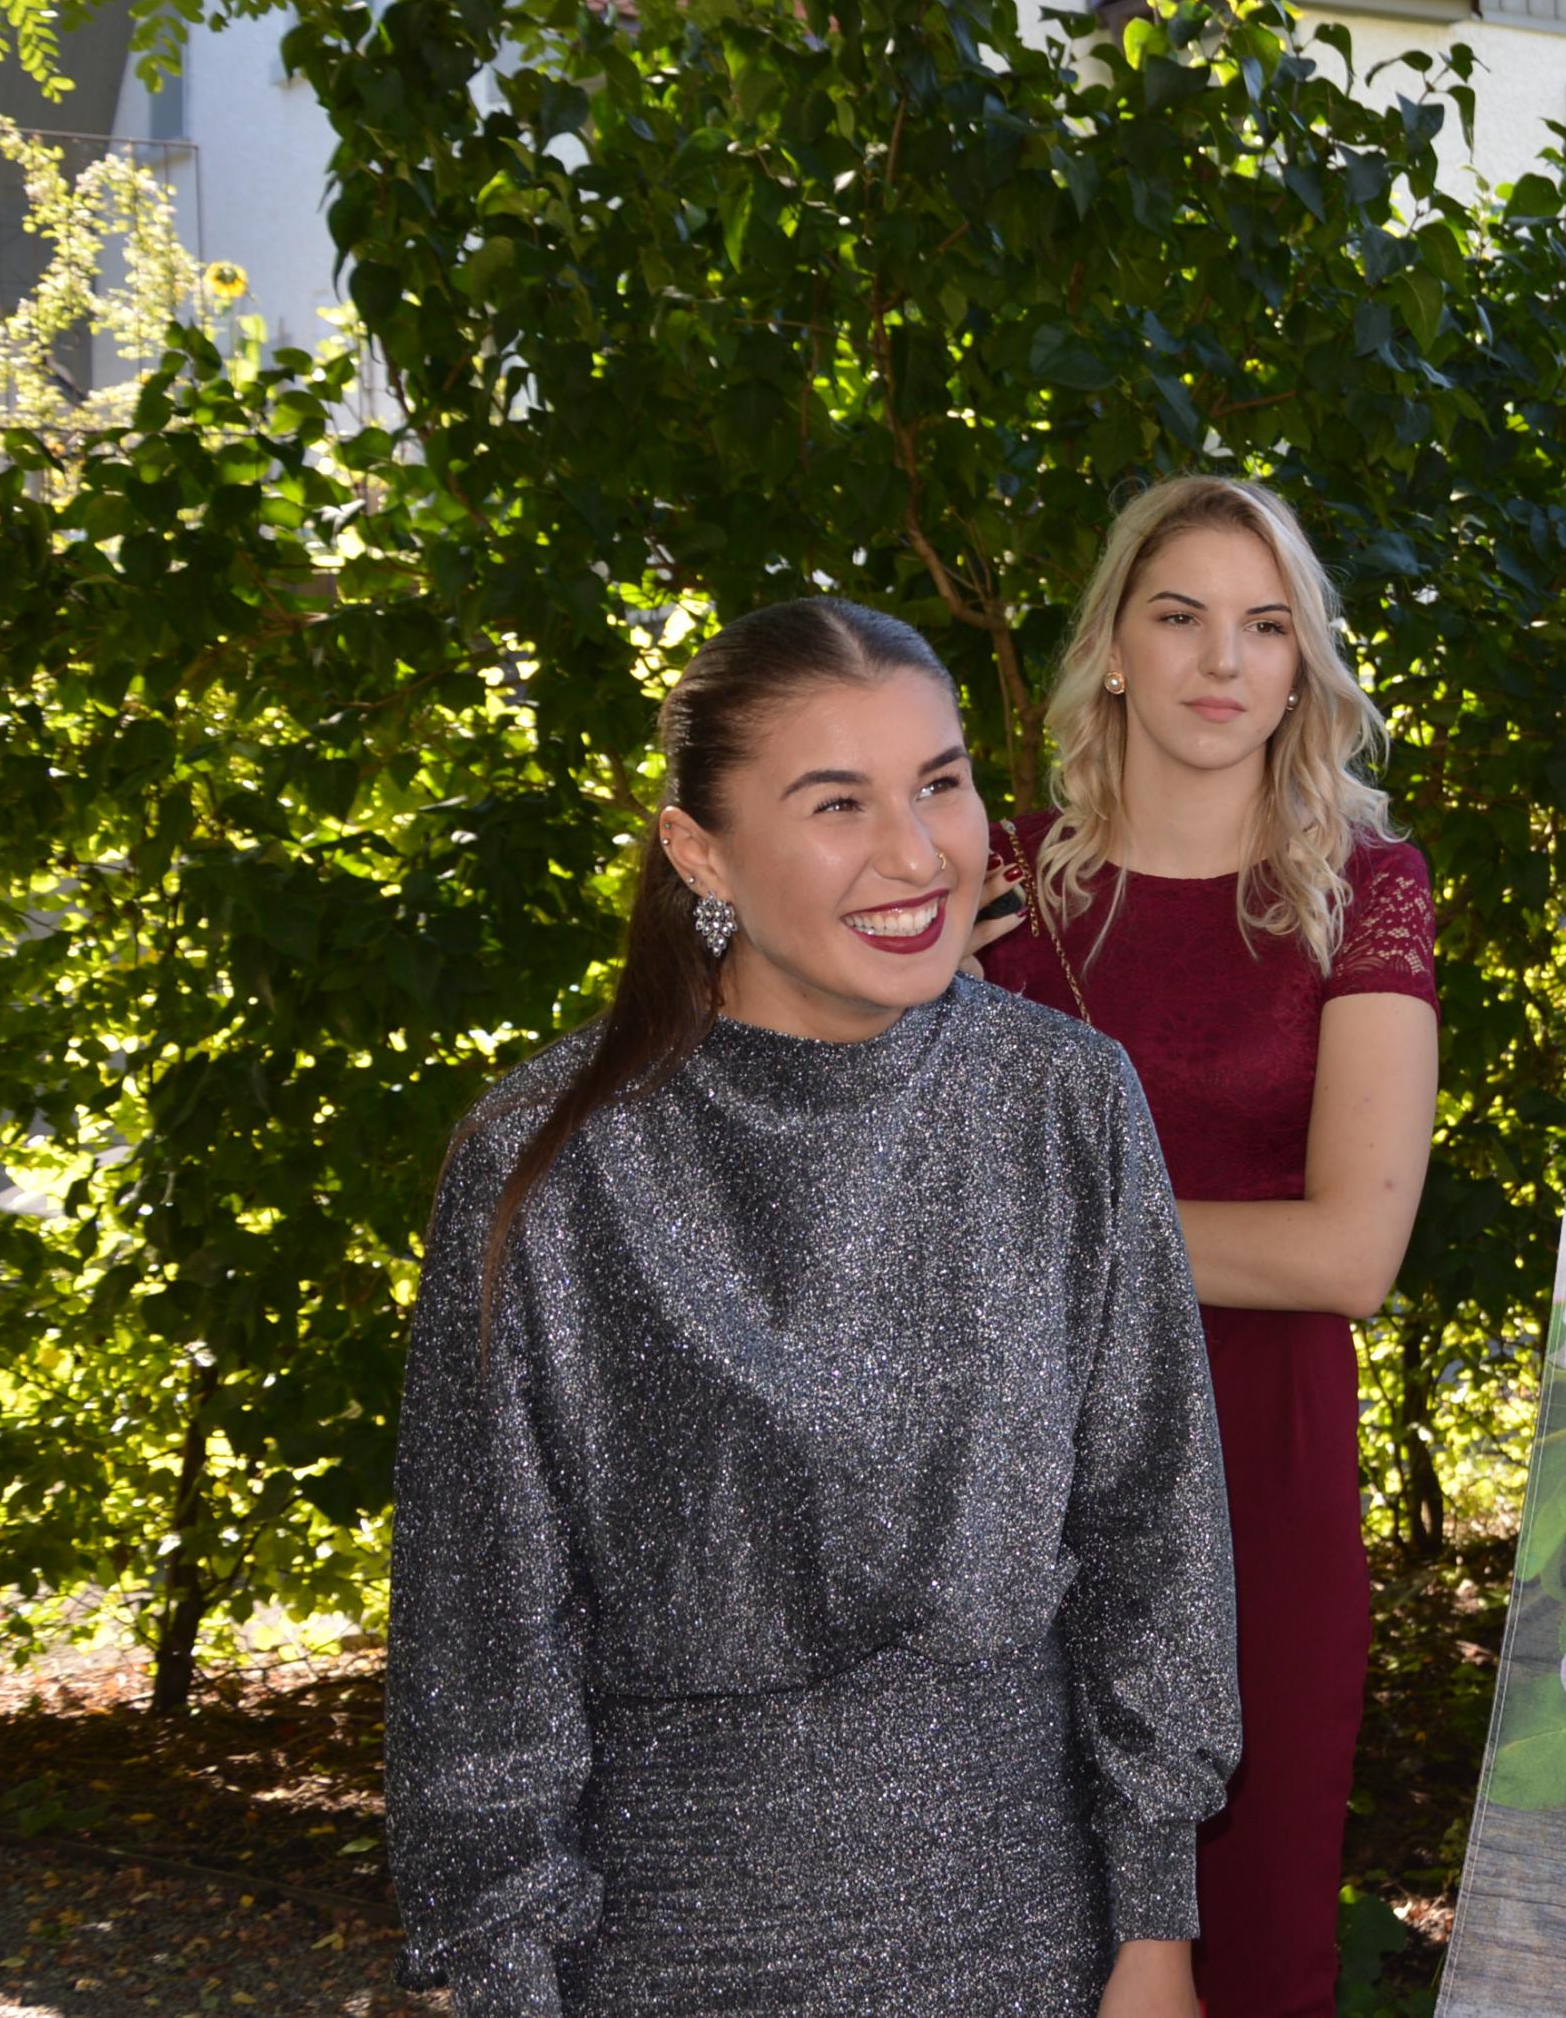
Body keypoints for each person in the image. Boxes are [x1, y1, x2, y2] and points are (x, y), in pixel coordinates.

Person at [387, 598, 1236, 2018]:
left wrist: (1156, 1928)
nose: (917, 854)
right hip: (675, 1952)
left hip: (1034, 1931)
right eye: (839, 803)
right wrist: (504, 1977)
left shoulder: (1065, 1100)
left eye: (941, 784)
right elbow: (483, 1643)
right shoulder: (553, 1160)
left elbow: (1154, 1531)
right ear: (699, 853)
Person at [969, 478, 1440, 2018]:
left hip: (1261, 1467)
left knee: (1254, 1937)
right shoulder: (985, 885)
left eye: (1266, 626)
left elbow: (1348, 1256)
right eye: (1180, 617)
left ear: (1304, 668)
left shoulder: (1362, 890)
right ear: (1114, 647)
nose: (1223, 660)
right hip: (1009, 1471)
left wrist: (1057, 1230)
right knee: (1008, 1929)